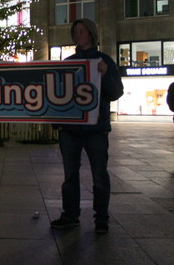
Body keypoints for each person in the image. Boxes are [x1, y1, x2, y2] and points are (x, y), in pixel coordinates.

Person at [51, 19, 124, 234]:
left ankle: (101, 217)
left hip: (96, 129)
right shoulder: (69, 62)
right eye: (75, 32)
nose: (78, 35)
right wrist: (59, 124)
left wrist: (104, 74)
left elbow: (115, 93)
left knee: (100, 175)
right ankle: (70, 215)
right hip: (71, 129)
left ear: (91, 33)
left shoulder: (104, 61)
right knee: (70, 176)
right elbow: (58, 94)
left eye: (81, 31)